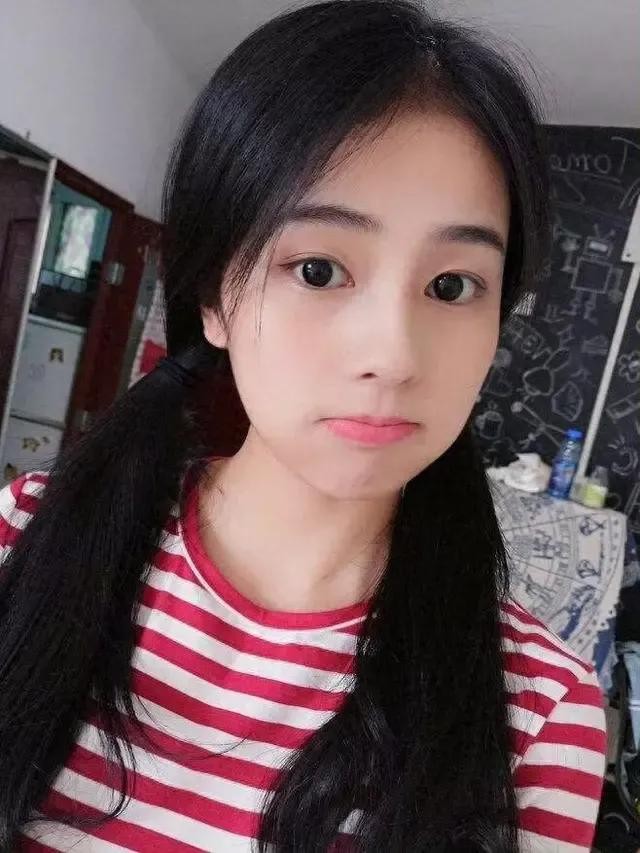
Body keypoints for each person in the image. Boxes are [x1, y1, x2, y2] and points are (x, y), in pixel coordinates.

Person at [0, 1, 606, 850]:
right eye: (318, 269)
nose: (393, 354)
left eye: (452, 286)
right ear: (215, 296)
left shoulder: (541, 715)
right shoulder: (21, 539)